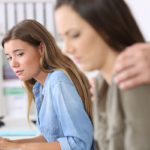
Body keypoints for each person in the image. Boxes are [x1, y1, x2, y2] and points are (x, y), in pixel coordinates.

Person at [54, 0, 150, 149]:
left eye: (74, 35)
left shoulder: (132, 78)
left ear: (106, 28)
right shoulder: (100, 84)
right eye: (62, 38)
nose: (66, 49)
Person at [0, 19, 94, 150]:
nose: (13, 64)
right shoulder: (40, 86)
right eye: (9, 57)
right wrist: (10, 144)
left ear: (41, 49)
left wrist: (20, 146)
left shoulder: (58, 81)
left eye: (19, 54)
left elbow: (79, 144)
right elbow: (49, 139)